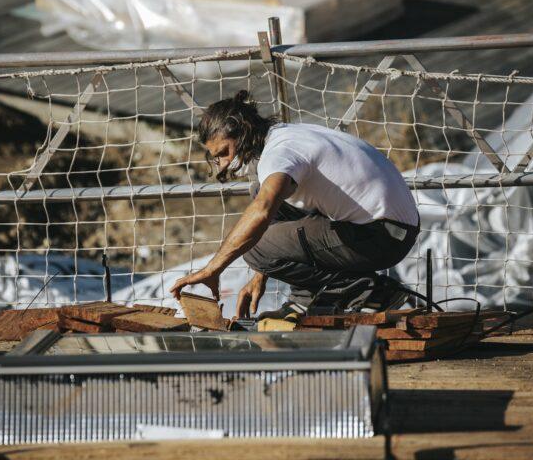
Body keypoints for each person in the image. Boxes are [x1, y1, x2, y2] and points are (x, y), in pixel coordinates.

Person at [168, 90, 420, 319]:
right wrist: (260, 276)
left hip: (383, 235)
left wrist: (213, 269)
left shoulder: (280, 153)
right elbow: (272, 209)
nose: (223, 165)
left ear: (243, 132)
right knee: (262, 195)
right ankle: (303, 299)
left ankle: (369, 292)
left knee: (257, 249)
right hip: (391, 228)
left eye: (225, 152)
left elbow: (262, 212)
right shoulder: (285, 135)